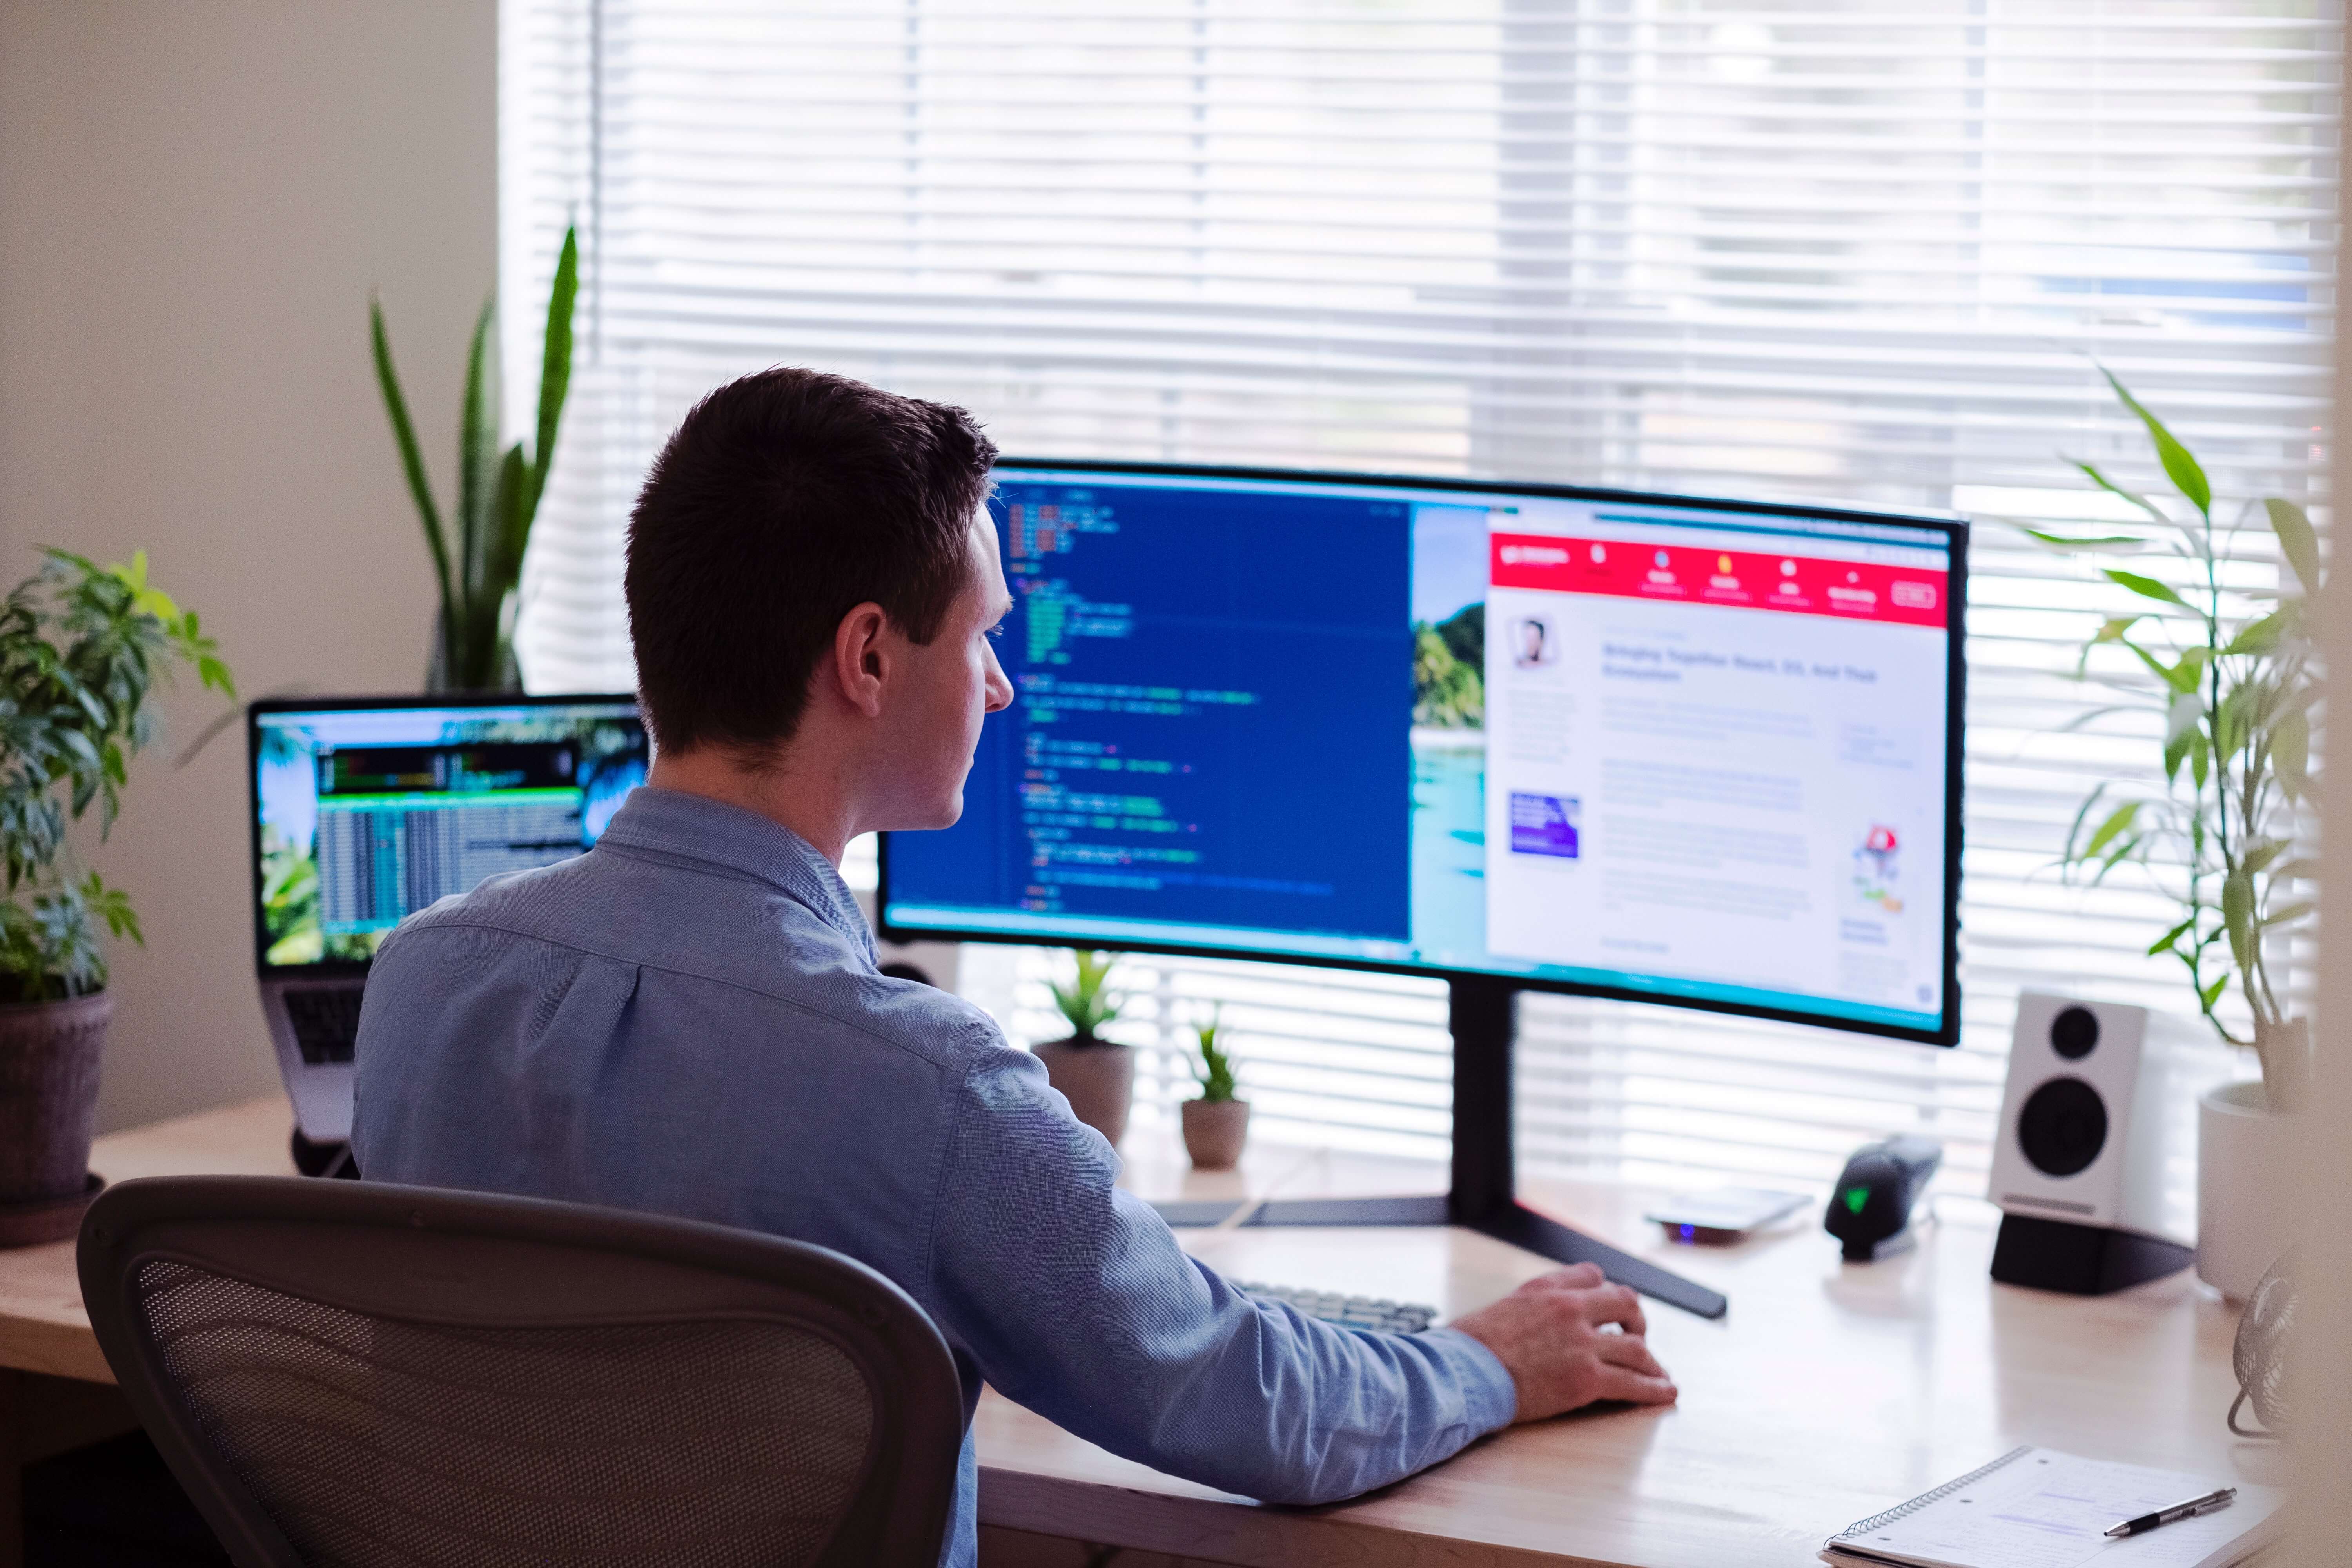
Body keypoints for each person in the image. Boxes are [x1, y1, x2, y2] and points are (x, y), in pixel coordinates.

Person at [351, 367, 1675, 1567]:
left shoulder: (421, 981)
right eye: (982, 636)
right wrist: (1487, 1364)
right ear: (869, 657)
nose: (1001, 689)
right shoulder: (923, 1086)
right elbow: (1242, 1400)